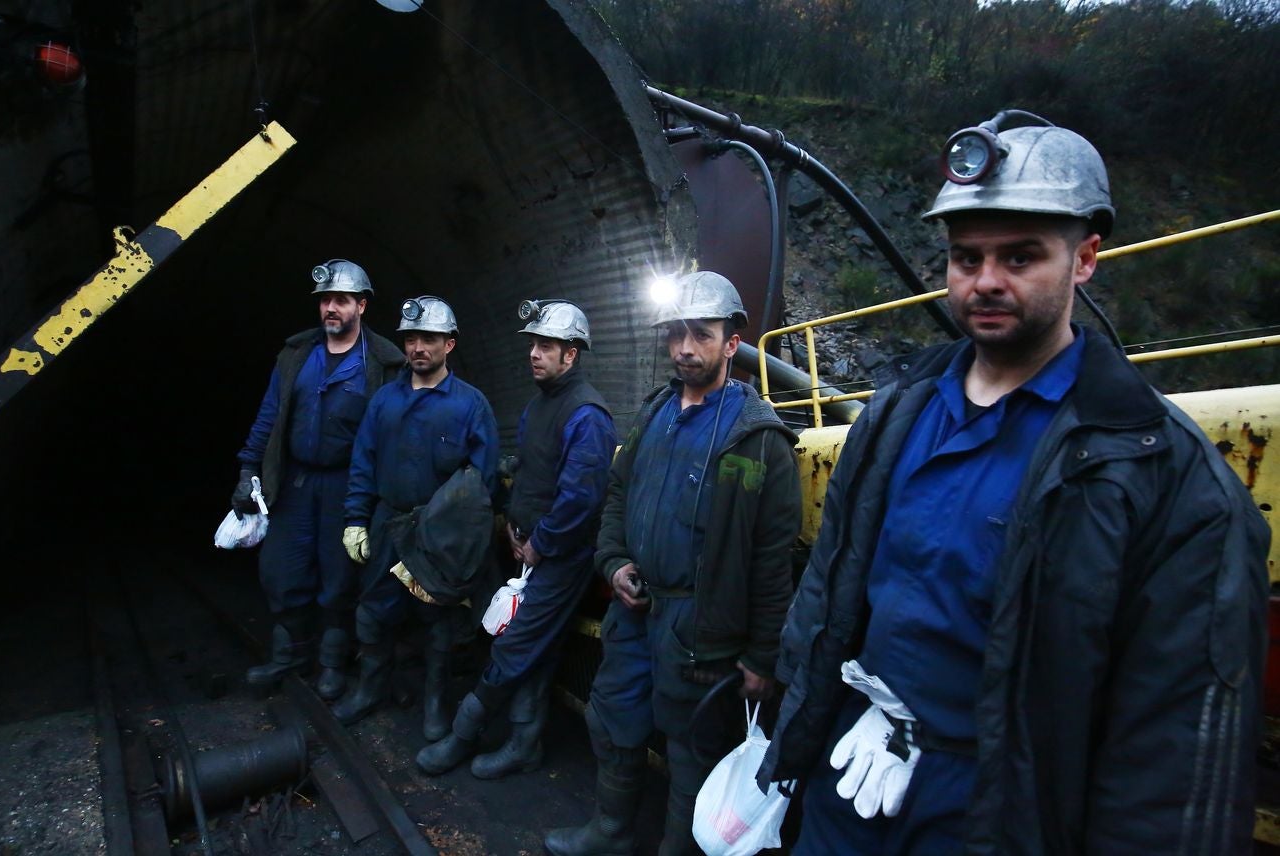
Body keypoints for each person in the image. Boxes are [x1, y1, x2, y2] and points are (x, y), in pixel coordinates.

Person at [758, 114, 1270, 853]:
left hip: (999, 814)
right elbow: (830, 584)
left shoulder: (1161, 472)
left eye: (1020, 256)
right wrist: (804, 725)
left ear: (1085, 258)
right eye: (966, 258)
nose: (986, 281)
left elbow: (1174, 746)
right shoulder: (898, 411)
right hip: (853, 772)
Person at [544, 271, 802, 856]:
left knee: (692, 751)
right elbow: (617, 494)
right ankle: (610, 832)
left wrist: (763, 657)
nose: (685, 348)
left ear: (731, 343)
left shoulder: (756, 441)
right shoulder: (654, 414)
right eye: (676, 335)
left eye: (701, 335)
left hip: (698, 629)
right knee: (612, 720)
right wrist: (612, 563)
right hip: (636, 611)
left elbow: (770, 560)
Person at [416, 299, 617, 778]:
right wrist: (511, 521)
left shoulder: (587, 415)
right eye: (533, 345)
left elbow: (580, 500)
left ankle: (463, 734)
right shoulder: (538, 406)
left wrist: (541, 543)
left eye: (546, 347)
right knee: (536, 647)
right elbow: (528, 473)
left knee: (515, 644)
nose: (534, 354)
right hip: (529, 548)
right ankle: (526, 742)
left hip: (562, 556)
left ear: (571, 355)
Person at [232, 260, 405, 699]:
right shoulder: (295, 356)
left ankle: (332, 662)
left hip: (347, 485)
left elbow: (395, 435)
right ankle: (289, 654)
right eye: (326, 300)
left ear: (361, 306)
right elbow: (269, 418)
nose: (331, 308)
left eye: (341, 301)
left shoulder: (384, 363)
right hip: (294, 483)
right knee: (281, 571)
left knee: (340, 575)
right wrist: (248, 470)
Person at [334, 295, 500, 740]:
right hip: (388, 524)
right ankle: (371, 688)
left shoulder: (470, 405)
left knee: (438, 623)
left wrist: (457, 540)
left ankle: (434, 705)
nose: (417, 348)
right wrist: (355, 518)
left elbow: (481, 485)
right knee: (372, 612)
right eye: (410, 339)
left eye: (428, 339)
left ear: (450, 344)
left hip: (438, 533)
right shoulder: (384, 401)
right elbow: (363, 462)